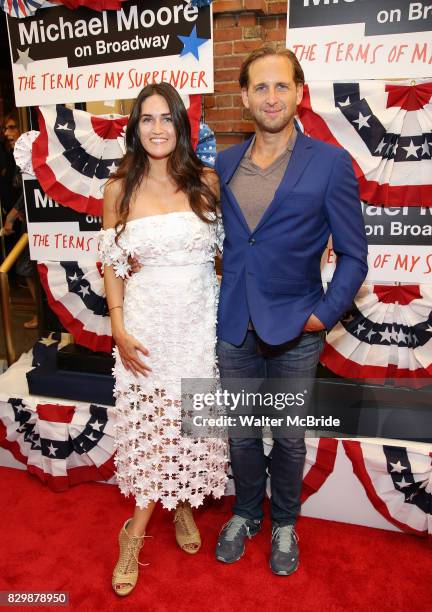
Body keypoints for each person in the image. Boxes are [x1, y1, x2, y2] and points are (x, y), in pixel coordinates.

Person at [214, 45, 368, 576]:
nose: (271, 96)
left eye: (282, 86)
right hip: (234, 325)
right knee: (239, 432)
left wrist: (323, 315)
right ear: (244, 97)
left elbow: (354, 253)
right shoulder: (225, 162)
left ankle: (283, 522)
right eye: (260, 87)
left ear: (299, 94)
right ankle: (243, 514)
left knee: (287, 435)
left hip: (297, 329)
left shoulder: (330, 163)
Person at [98, 82, 227, 597]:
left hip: (198, 326)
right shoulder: (118, 188)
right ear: (135, 128)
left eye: (166, 119)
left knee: (191, 424)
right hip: (147, 330)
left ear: (181, 125)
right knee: (153, 427)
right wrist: (118, 325)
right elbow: (112, 264)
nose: (157, 128)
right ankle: (133, 531)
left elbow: (221, 258)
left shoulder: (207, 183)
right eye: (147, 119)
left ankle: (179, 504)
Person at [1, 110, 38, 329]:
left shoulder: (30, 156)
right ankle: (40, 314)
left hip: (34, 223)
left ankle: (42, 316)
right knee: (26, 269)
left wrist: (11, 217)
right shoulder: (14, 157)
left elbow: (28, 191)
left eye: (12, 127)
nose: (7, 133)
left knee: (26, 268)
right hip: (26, 220)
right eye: (5, 128)